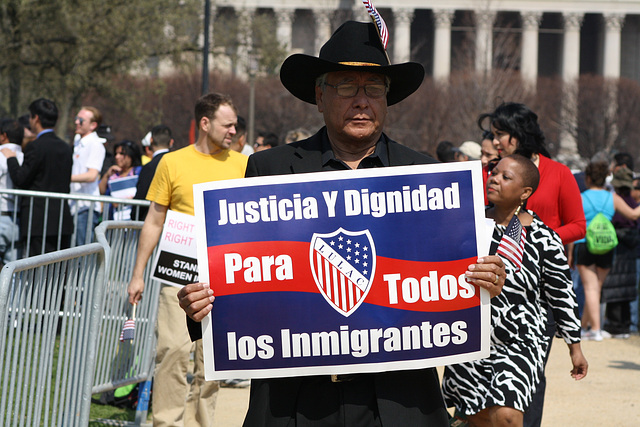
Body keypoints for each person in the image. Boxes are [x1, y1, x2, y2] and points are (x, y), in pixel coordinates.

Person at [178, 21, 507, 426]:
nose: (362, 101)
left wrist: (486, 278)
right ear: (319, 95)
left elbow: (457, 282)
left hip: (397, 400)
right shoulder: (270, 170)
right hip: (296, 402)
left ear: (387, 99)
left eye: (374, 88)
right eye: (347, 86)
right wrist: (203, 307)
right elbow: (241, 277)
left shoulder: (427, 176)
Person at [127, 92, 248, 427]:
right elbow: (154, 220)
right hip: (177, 276)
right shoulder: (171, 162)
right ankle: (166, 422)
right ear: (205, 123)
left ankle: (202, 423)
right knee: (172, 353)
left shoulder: (243, 165)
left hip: (224, 280)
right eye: (228, 125)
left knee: (211, 363)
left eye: (236, 126)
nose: (233, 132)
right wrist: (138, 274)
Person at [442, 155, 588, 427]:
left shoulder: (544, 237)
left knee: (507, 415)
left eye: (505, 177)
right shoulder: (466, 225)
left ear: (525, 192)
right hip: (472, 337)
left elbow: (562, 294)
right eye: (494, 173)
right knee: (478, 416)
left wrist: (574, 348)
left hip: (521, 340)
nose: (494, 178)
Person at [478, 102, 586, 427]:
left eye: (501, 135)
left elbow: (578, 225)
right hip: (489, 303)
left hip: (537, 302)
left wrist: (537, 241)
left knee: (524, 390)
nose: (495, 142)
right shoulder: (492, 175)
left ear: (519, 134)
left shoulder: (559, 173)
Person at [575, 161, 640, 341]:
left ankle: (595, 329)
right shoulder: (612, 198)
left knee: (590, 287)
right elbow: (633, 214)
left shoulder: (581, 198)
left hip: (585, 243)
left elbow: (574, 225)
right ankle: (584, 326)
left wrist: (569, 253)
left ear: (588, 178)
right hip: (607, 244)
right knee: (597, 287)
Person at [0, 98, 73, 256]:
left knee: (37, 271)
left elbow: (21, 179)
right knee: (58, 273)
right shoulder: (65, 147)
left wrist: (11, 158)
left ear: (36, 118)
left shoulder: (36, 146)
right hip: (61, 219)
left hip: (39, 221)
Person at [601, 166, 639, 339]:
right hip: (631, 248)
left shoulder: (615, 201)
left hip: (616, 245)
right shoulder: (633, 204)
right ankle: (625, 325)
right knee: (627, 287)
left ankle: (613, 325)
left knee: (614, 285)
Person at [70, 106, 106, 245]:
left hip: (86, 207)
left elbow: (92, 175)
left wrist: (66, 178)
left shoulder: (96, 144)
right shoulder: (78, 141)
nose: (77, 122)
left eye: (81, 120)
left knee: (82, 255)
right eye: (76, 118)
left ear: (93, 125)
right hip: (75, 205)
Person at [133, 125, 174, 220]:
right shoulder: (177, 164)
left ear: (151, 140)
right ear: (171, 142)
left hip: (150, 219)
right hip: (172, 222)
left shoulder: (149, 167)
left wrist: (134, 215)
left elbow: (141, 194)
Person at [0, 119, 24, 264]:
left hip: (1, 215)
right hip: (19, 219)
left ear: (4, 135)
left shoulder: (1, 155)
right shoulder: (26, 156)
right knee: (14, 270)